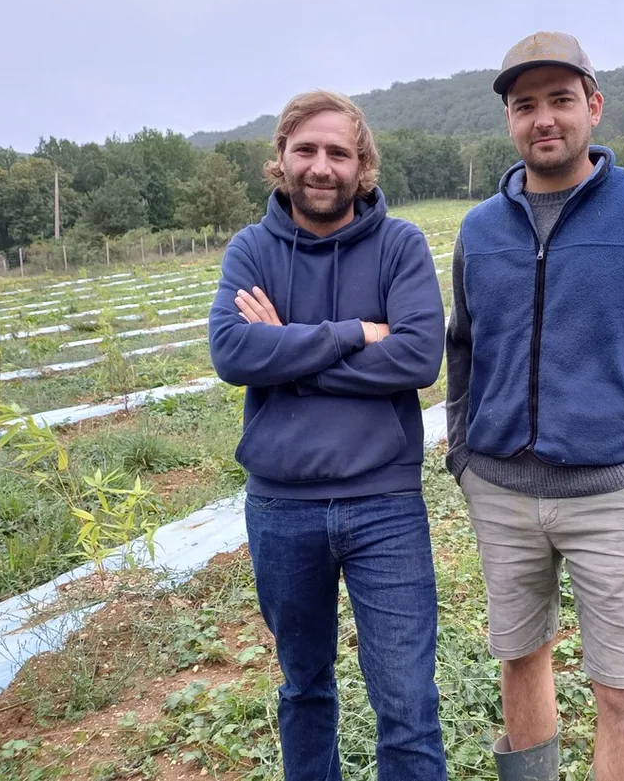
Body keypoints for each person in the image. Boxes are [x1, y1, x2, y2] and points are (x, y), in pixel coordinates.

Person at [445, 32, 624, 781]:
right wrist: (463, 454)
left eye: (561, 100)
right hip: (501, 491)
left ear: (593, 107)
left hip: (614, 495)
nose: (544, 118)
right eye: (525, 104)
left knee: (622, 689)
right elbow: (463, 347)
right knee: (520, 658)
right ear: (509, 118)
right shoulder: (479, 230)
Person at [208, 89, 448, 781]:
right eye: (306, 149)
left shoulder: (398, 245)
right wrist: (347, 335)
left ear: (362, 164)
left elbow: (415, 358)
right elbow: (232, 352)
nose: (321, 165)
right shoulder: (251, 249)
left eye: (338, 152)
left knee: (406, 699)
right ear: (280, 158)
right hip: (282, 508)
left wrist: (287, 351)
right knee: (303, 687)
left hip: (385, 506)